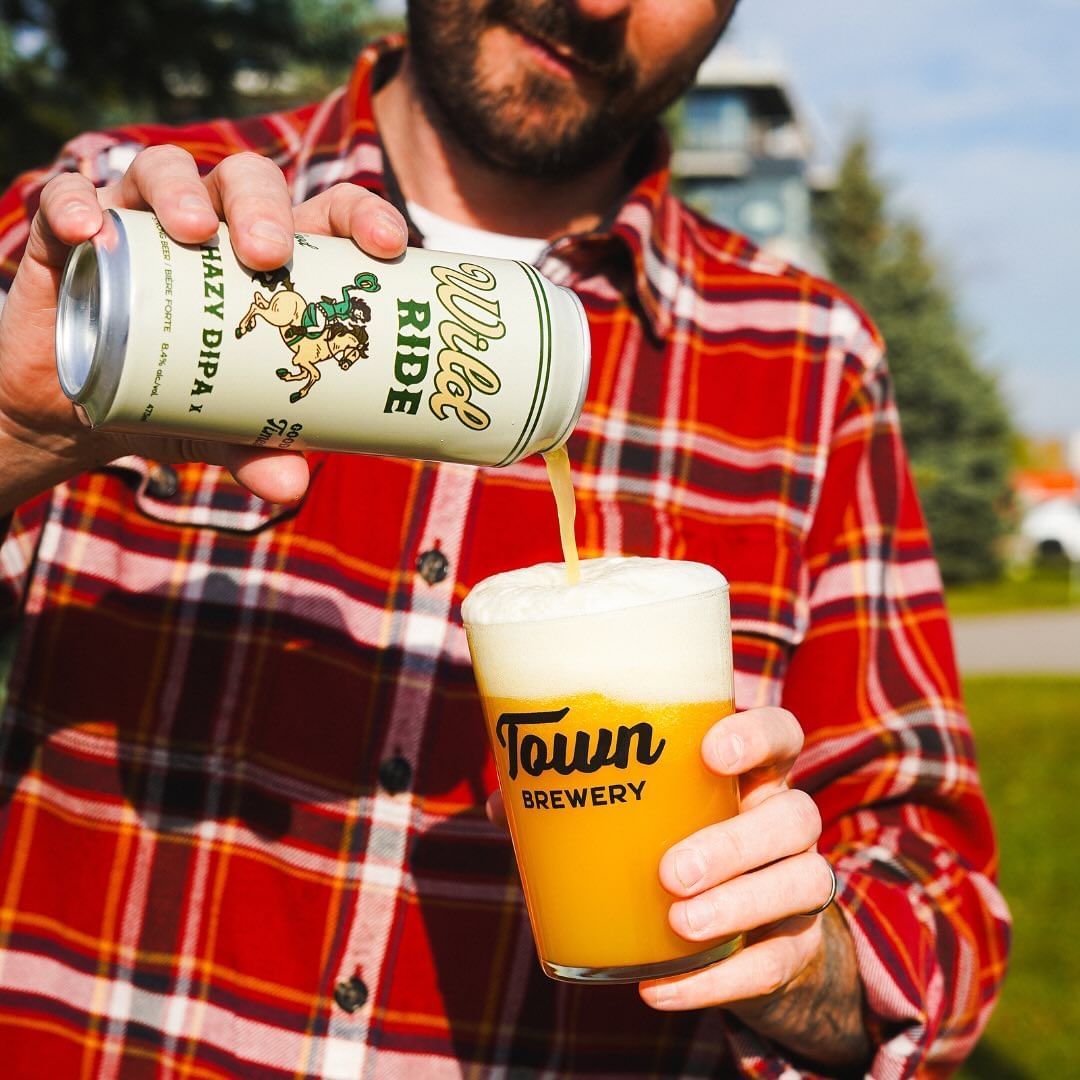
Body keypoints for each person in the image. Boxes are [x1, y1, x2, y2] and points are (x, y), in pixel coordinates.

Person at [0, 2, 1009, 1076]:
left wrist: (805, 962)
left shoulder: (809, 362)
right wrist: (13, 434)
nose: (596, 1)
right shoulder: (118, 226)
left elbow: (938, 906)